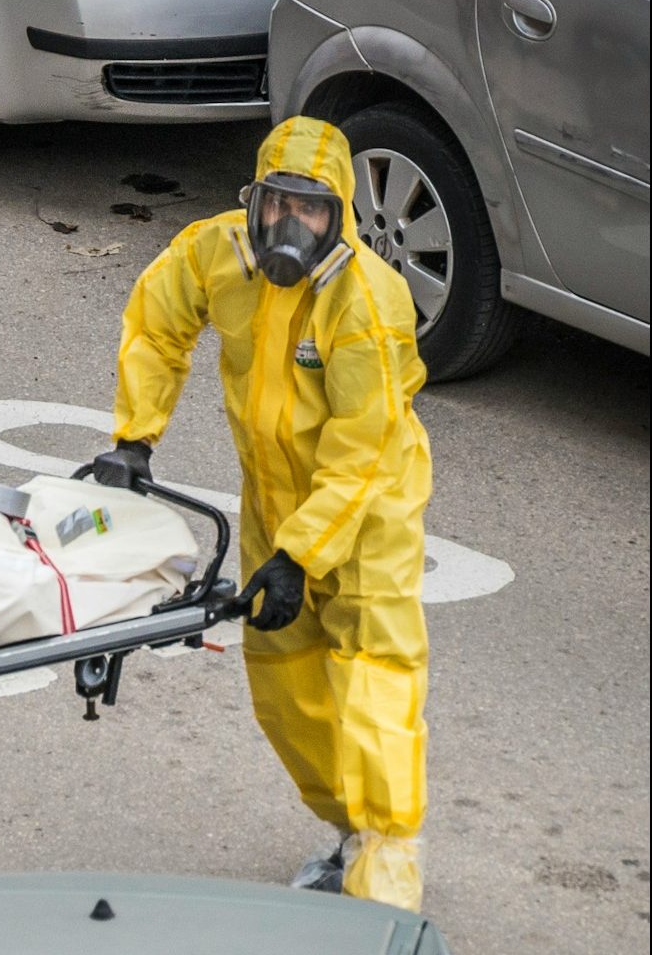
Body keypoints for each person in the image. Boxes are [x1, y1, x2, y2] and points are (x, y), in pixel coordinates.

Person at [92, 116, 431, 911]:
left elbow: (363, 447)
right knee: (284, 680)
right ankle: (348, 831)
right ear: (254, 201)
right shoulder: (219, 253)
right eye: (278, 204)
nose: (291, 227)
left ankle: (386, 882)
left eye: (312, 212)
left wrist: (302, 555)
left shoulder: (365, 303)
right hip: (273, 497)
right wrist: (135, 438)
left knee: (373, 678)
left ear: (339, 217)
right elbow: (157, 323)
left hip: (368, 509)